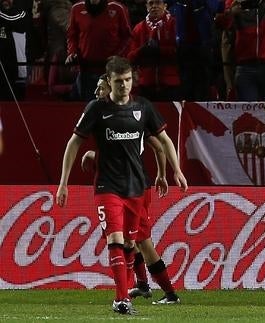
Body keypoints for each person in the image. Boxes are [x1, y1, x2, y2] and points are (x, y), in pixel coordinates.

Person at [56, 56, 187, 315]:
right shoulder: (96, 109)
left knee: (131, 244)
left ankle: (145, 288)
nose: (124, 85)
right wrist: (63, 183)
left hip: (137, 187)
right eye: (119, 81)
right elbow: (73, 143)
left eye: (127, 80)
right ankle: (122, 299)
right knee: (116, 239)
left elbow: (165, 141)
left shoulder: (143, 108)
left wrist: (175, 170)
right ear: (110, 81)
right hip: (108, 186)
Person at [87, 73, 182, 305]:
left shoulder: (133, 112)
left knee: (141, 241)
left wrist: (164, 174)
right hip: (123, 184)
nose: (97, 93)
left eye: (100, 88)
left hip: (134, 185)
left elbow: (159, 146)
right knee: (130, 239)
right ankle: (140, 285)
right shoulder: (104, 113)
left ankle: (169, 293)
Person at [66, 0, 132, 101]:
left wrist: (117, 55)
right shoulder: (76, 8)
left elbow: (127, 37)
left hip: (111, 71)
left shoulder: (118, 8)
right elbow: (72, 35)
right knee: (87, 107)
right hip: (85, 70)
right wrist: (72, 52)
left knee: (112, 107)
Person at [127, 0, 180, 101]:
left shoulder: (175, 24)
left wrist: (160, 50)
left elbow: (180, 51)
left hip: (170, 83)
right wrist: (142, 50)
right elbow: (130, 57)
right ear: (146, 7)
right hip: (146, 84)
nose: (154, 6)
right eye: (151, 3)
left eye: (158, 3)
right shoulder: (139, 28)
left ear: (165, 6)